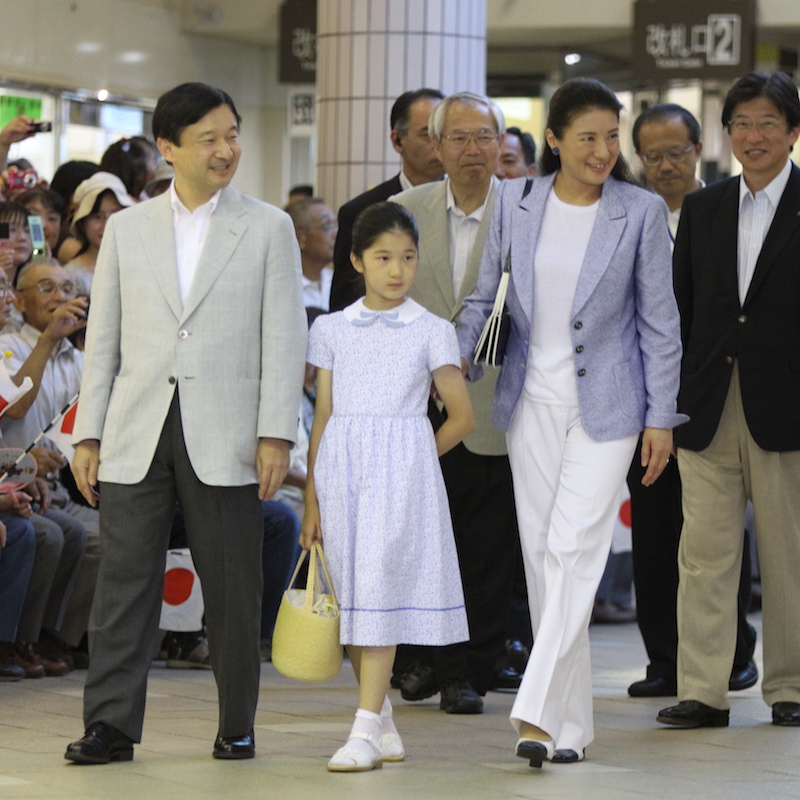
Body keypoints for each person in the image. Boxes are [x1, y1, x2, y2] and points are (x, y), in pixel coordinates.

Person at [64, 81, 307, 764]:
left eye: (233, 135)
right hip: (137, 429)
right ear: (169, 148)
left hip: (228, 431)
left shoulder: (267, 227)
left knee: (231, 584)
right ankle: (109, 725)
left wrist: (276, 433)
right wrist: (89, 433)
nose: (227, 148)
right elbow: (104, 337)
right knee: (123, 585)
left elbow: (284, 339)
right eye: (211, 138)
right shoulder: (129, 229)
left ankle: (236, 722)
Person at [457, 77, 685, 766]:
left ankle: (533, 705)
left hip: (611, 407)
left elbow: (660, 324)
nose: (604, 151)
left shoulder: (638, 211)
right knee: (542, 561)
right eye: (588, 138)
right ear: (553, 139)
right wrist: (450, 361)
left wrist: (662, 419)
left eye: (612, 137)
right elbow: (481, 294)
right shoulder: (517, 202)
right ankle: (571, 728)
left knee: (573, 550)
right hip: (530, 399)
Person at [301, 201, 473, 772]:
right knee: (353, 600)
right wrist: (312, 498)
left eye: (407, 257)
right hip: (339, 474)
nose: (397, 269)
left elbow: (461, 417)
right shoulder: (330, 329)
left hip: (398, 482)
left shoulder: (432, 330)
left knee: (375, 593)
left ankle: (362, 731)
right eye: (382, 257)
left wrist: (414, 457)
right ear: (356, 260)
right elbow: (323, 416)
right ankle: (383, 723)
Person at [657, 71, 800, 730]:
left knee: (787, 555)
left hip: (788, 408)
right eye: (741, 123)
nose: (753, 136)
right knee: (705, 556)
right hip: (708, 405)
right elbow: (680, 314)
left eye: (767, 122)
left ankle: (790, 687)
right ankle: (702, 690)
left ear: (792, 132)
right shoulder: (706, 208)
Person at [391, 91, 520, 713]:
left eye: (484, 136)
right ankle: (434, 662)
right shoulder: (404, 210)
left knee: (489, 545)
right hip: (420, 406)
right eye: (459, 138)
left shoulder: (527, 213)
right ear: (435, 148)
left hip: (497, 402)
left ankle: (474, 668)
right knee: (424, 539)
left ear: (501, 144)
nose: (473, 149)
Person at [627, 103, 757, 698]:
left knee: (717, 538)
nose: (664, 165)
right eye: (651, 155)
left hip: (712, 402)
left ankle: (732, 655)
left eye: (676, 152)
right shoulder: (629, 216)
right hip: (642, 406)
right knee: (655, 536)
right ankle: (665, 661)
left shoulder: (724, 211)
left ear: (699, 146)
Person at [330, 88, 444, 311]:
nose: (439, 145)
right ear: (397, 140)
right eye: (427, 135)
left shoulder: (467, 204)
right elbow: (343, 303)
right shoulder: (362, 210)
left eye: (445, 134)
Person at [62, 172, 135, 296]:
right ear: (82, 224)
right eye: (97, 217)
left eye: (115, 215)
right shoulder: (71, 276)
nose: (107, 225)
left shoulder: (140, 266)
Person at [284, 197, 337, 310]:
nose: (335, 235)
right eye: (327, 226)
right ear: (300, 238)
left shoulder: (337, 282)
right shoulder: (284, 287)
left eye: (336, 226)